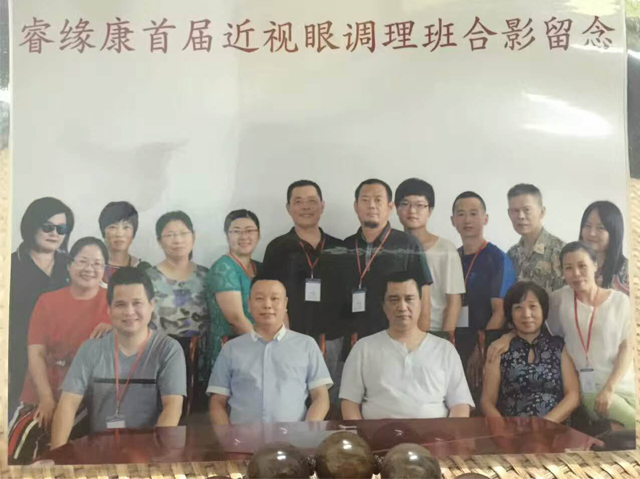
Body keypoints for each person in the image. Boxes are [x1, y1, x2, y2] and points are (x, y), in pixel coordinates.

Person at [488, 242, 635, 430]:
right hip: (590, 389)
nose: (576, 273)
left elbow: (627, 347)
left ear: (595, 265)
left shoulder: (620, 301)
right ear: (562, 271)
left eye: (582, 266)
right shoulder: (558, 300)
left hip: (622, 384)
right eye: (568, 268)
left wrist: (610, 388)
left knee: (623, 429)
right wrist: (507, 337)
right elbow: (530, 319)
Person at [50, 267, 186, 448]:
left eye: (137, 303)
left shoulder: (168, 350)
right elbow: (68, 403)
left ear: (151, 305)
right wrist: (57, 455)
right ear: (109, 309)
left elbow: (172, 407)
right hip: (99, 451)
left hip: (148, 452)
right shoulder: (91, 349)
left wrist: (154, 456)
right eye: (121, 304)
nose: (129, 312)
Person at [8, 237, 112, 464]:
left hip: (88, 400)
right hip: (43, 391)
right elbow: (36, 353)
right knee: (25, 437)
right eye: (83, 261)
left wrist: (115, 328)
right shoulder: (47, 301)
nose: (89, 269)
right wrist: (46, 399)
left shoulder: (114, 304)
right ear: (69, 265)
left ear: (105, 269)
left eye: (97, 263)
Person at [339, 272, 473, 420]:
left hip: (434, 433)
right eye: (394, 300)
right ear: (383, 306)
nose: (402, 307)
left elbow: (460, 404)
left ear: (421, 303)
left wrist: (450, 434)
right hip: (377, 433)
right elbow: (349, 403)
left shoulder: (445, 349)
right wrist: (360, 434)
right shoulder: (363, 348)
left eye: (409, 299)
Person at [260, 181, 344, 402]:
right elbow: (269, 296)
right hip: (291, 337)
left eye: (312, 201)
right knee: (293, 399)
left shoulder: (339, 247)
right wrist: (284, 336)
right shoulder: (277, 248)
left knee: (329, 400)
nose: (306, 207)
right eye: (298, 202)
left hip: (333, 340)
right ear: (288, 208)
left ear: (322, 205)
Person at [207, 277, 332, 424]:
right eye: (259, 299)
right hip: (242, 436)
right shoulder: (231, 349)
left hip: (293, 436)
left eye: (274, 299)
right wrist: (226, 434)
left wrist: (306, 431)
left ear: (285, 304)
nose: (267, 305)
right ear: (249, 305)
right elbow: (217, 401)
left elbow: (320, 397)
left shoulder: (306, 345)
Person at [321, 178, 433, 342]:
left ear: (390, 207)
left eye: (378, 200)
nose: (371, 206)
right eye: (365, 200)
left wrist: (420, 343)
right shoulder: (345, 246)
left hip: (395, 340)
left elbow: (424, 295)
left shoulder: (407, 244)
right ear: (356, 206)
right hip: (351, 342)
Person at [9, 197, 75, 421]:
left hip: (64, 363)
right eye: (48, 227)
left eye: (61, 228)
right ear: (32, 226)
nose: (55, 233)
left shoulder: (72, 266)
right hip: (16, 361)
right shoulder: (9, 266)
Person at [481, 281, 580, 422]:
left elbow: (573, 396)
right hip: (510, 430)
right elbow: (487, 401)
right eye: (518, 308)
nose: (526, 314)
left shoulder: (559, 346)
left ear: (543, 309)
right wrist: (503, 429)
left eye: (533, 306)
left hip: (554, 428)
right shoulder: (499, 348)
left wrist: (545, 424)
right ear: (510, 313)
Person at [450, 191, 516, 397]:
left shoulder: (497, 258)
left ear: (485, 218)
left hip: (485, 347)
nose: (467, 220)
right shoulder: (452, 257)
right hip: (453, 343)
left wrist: (481, 349)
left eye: (473, 213)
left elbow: (500, 311)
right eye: (461, 214)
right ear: (453, 221)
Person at [395, 178, 464, 332]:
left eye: (420, 205)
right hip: (397, 332)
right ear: (396, 209)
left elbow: (454, 301)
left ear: (430, 210)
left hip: (434, 332)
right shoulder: (391, 248)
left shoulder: (446, 249)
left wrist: (444, 340)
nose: (412, 211)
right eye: (405, 204)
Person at [204, 209, 262, 375]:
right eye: (236, 231)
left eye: (249, 231)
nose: (243, 237)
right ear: (227, 236)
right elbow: (236, 320)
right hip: (231, 350)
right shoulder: (223, 268)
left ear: (258, 235)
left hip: (257, 347)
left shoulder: (260, 267)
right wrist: (265, 349)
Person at [146, 211, 209, 337]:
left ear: (193, 237)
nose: (178, 240)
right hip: (160, 348)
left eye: (183, 233)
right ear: (159, 241)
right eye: (170, 235)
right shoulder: (147, 279)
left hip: (202, 349)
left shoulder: (207, 276)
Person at [506, 184, 565, 293]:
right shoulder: (511, 255)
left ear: (542, 212)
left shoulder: (560, 252)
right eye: (515, 211)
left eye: (527, 210)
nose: (521, 216)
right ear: (509, 214)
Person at [579, 201, 629, 295]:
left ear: (614, 232)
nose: (592, 233)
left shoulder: (629, 272)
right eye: (587, 226)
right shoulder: (572, 264)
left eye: (600, 228)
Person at [98, 201, 151, 283]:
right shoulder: (91, 267)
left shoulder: (144, 269)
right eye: (113, 227)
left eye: (126, 227)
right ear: (103, 232)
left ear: (133, 233)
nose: (119, 234)